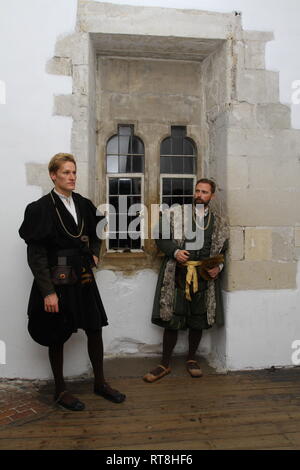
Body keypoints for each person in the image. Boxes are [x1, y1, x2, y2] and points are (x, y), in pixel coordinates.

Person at [19, 153, 126, 410]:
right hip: (56, 279)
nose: (72, 177)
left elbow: (99, 229)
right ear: (53, 175)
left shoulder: (83, 203)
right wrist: (48, 292)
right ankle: (60, 390)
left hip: (83, 275)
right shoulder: (40, 208)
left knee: (94, 328)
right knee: (57, 333)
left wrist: (94, 253)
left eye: (74, 172)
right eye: (66, 172)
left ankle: (100, 383)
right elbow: (36, 256)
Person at [143, 179, 229, 382]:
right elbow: (160, 236)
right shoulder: (176, 213)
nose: (199, 195)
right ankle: (164, 364)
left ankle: (192, 359)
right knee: (171, 318)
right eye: (197, 191)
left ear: (212, 196)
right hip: (178, 274)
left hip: (203, 276)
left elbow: (223, 250)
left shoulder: (219, 223)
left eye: (205, 192)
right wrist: (174, 251)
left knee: (197, 319)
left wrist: (219, 267)